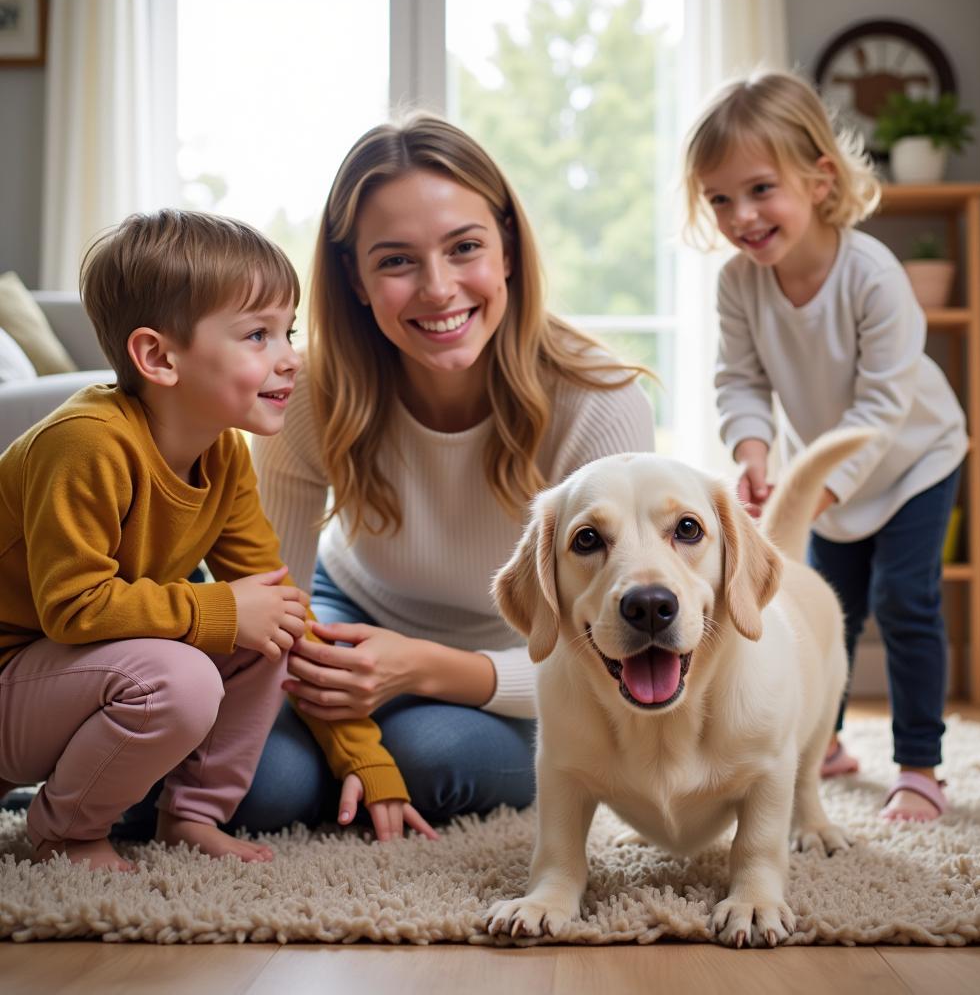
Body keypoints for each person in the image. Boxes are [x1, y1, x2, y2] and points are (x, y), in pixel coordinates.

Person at [230, 113, 656, 833]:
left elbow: (600, 656)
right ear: (355, 279)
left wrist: (421, 669)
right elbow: (276, 601)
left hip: (526, 659)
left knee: (429, 757)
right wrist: (336, 723)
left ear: (509, 251)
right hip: (346, 616)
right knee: (261, 783)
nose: (437, 288)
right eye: (396, 261)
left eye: (465, 248)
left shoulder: (599, 402)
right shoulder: (307, 391)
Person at [0, 210, 430, 871]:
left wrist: (365, 758)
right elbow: (73, 607)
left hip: (62, 678)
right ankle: (64, 833)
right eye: (258, 335)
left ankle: (191, 816)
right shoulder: (84, 442)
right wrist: (222, 612)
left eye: (287, 331)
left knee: (272, 624)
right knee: (184, 676)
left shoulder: (223, 456)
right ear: (159, 358)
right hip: (16, 675)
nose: (289, 357)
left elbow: (287, 613)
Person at [682, 70, 968, 822]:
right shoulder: (740, 286)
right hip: (826, 477)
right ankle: (824, 743)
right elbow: (739, 380)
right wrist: (752, 453)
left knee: (904, 601)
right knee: (821, 611)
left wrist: (820, 490)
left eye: (759, 189)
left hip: (913, 462)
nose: (740, 215)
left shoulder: (872, 277)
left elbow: (884, 403)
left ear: (819, 179)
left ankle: (919, 765)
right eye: (718, 198)